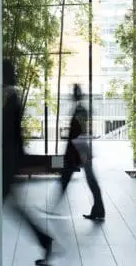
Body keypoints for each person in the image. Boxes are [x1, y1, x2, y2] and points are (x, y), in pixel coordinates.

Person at [2, 60, 54, 266]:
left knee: (10, 206)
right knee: (13, 207)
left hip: (9, 159)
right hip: (10, 158)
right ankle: (44, 240)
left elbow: (11, 132)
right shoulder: (11, 96)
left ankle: (45, 240)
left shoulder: (12, 98)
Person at [54, 84, 105, 220]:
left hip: (79, 151)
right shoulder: (79, 109)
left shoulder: (80, 110)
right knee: (79, 178)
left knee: (88, 180)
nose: (73, 94)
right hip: (78, 151)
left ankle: (99, 209)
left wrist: (81, 154)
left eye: (74, 92)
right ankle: (98, 209)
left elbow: (81, 133)